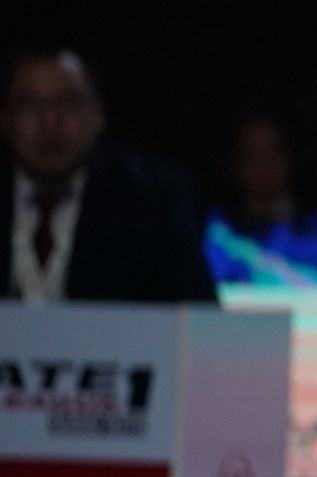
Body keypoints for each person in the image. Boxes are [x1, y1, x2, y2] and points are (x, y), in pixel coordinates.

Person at [0, 47, 217, 304]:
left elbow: (198, 313)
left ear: (98, 114)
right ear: (5, 117)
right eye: (31, 105)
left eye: (67, 103)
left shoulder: (153, 201)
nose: (50, 124)